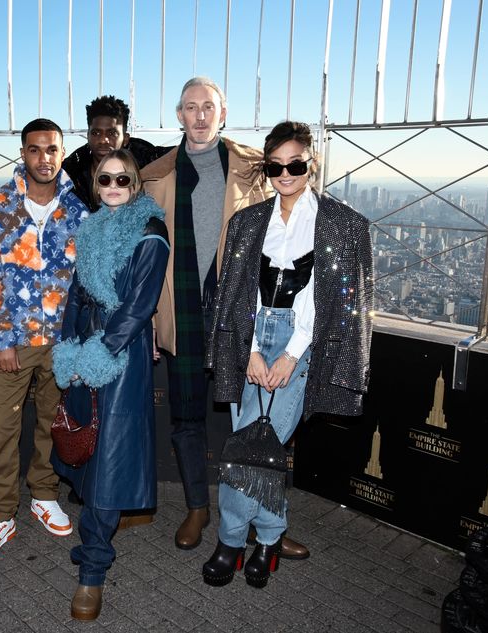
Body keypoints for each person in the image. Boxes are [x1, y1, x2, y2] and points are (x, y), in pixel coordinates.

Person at [141, 77, 311, 555]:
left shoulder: (254, 168)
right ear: (179, 115)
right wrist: (153, 318)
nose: (199, 116)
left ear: (223, 114)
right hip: (183, 312)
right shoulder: (155, 177)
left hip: (244, 317)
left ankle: (263, 523)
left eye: (207, 107)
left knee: (263, 425)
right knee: (188, 419)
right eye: (190, 107)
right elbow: (146, 257)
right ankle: (198, 508)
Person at [204, 120, 373, 588]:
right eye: (276, 165)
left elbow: (337, 302)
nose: (285, 174)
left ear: (311, 164)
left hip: (303, 346)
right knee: (247, 447)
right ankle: (253, 539)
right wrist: (254, 350)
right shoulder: (248, 222)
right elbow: (235, 295)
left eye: (295, 164)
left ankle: (246, 540)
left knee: (263, 448)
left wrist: (291, 355)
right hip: (250, 342)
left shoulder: (342, 224)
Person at [52, 149, 169, 620]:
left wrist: (100, 354)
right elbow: (77, 296)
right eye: (106, 178)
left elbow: (138, 308)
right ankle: (96, 538)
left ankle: (93, 571)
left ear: (136, 182)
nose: (115, 184)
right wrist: (70, 351)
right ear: (96, 185)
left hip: (122, 353)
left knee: (110, 459)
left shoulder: (150, 231)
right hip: (85, 347)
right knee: (87, 446)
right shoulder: (93, 227)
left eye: (124, 177)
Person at [0, 118, 87, 563]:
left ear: (61, 152)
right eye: (35, 150)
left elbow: (86, 281)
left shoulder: (79, 211)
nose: (44, 158)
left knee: (50, 426)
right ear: (23, 153)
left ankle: (43, 493)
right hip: (12, 343)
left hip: (60, 341)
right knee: (0, 429)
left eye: (52, 149)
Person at [62, 95, 171, 211]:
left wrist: (138, 177)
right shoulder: (74, 168)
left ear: (125, 139)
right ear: (88, 136)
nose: (103, 140)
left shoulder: (140, 154)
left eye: (112, 133)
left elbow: (182, 150)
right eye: (96, 133)